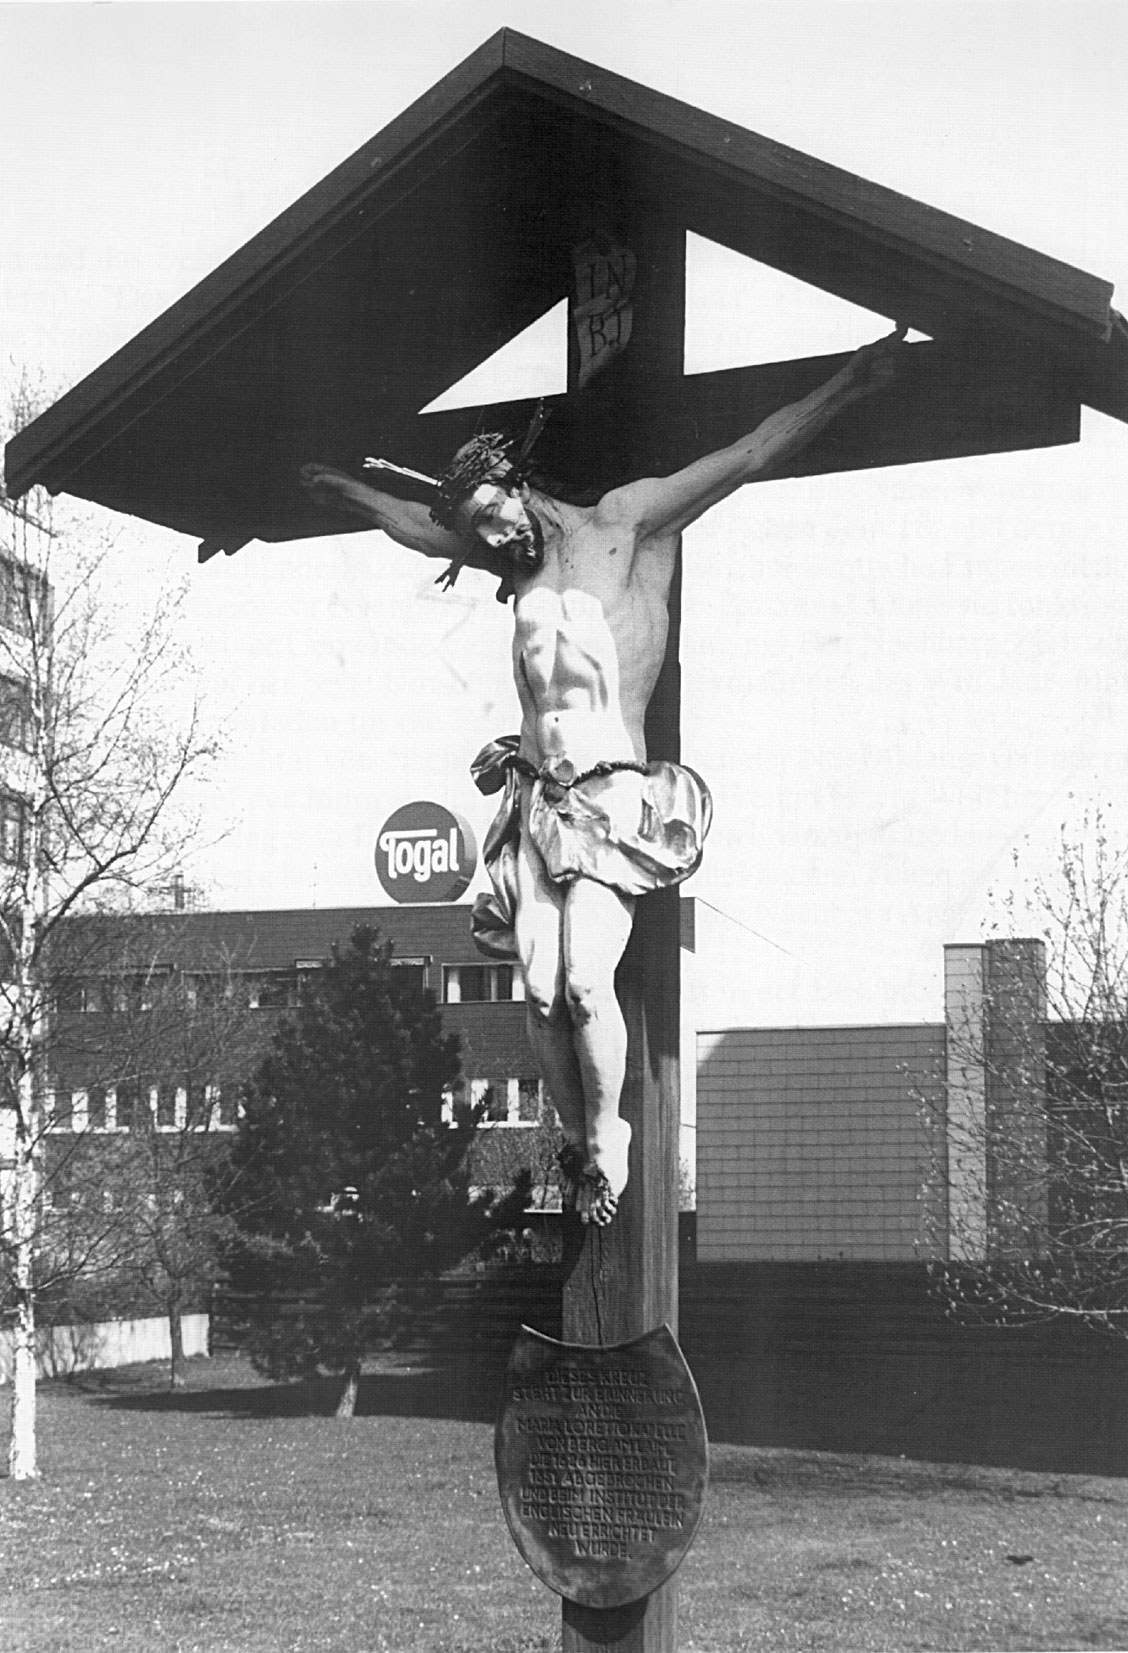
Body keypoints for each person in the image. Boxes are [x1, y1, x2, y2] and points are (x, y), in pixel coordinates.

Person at [300, 326, 904, 1226]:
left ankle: (609, 1135)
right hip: (537, 803)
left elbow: (744, 455)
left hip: (611, 798)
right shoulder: (510, 557)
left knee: (587, 983)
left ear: (519, 483)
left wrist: (848, 385)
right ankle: (577, 1139)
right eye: (475, 533)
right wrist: (340, 487)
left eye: (494, 518)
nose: (487, 540)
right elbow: (413, 525)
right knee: (540, 989)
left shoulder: (624, 525)